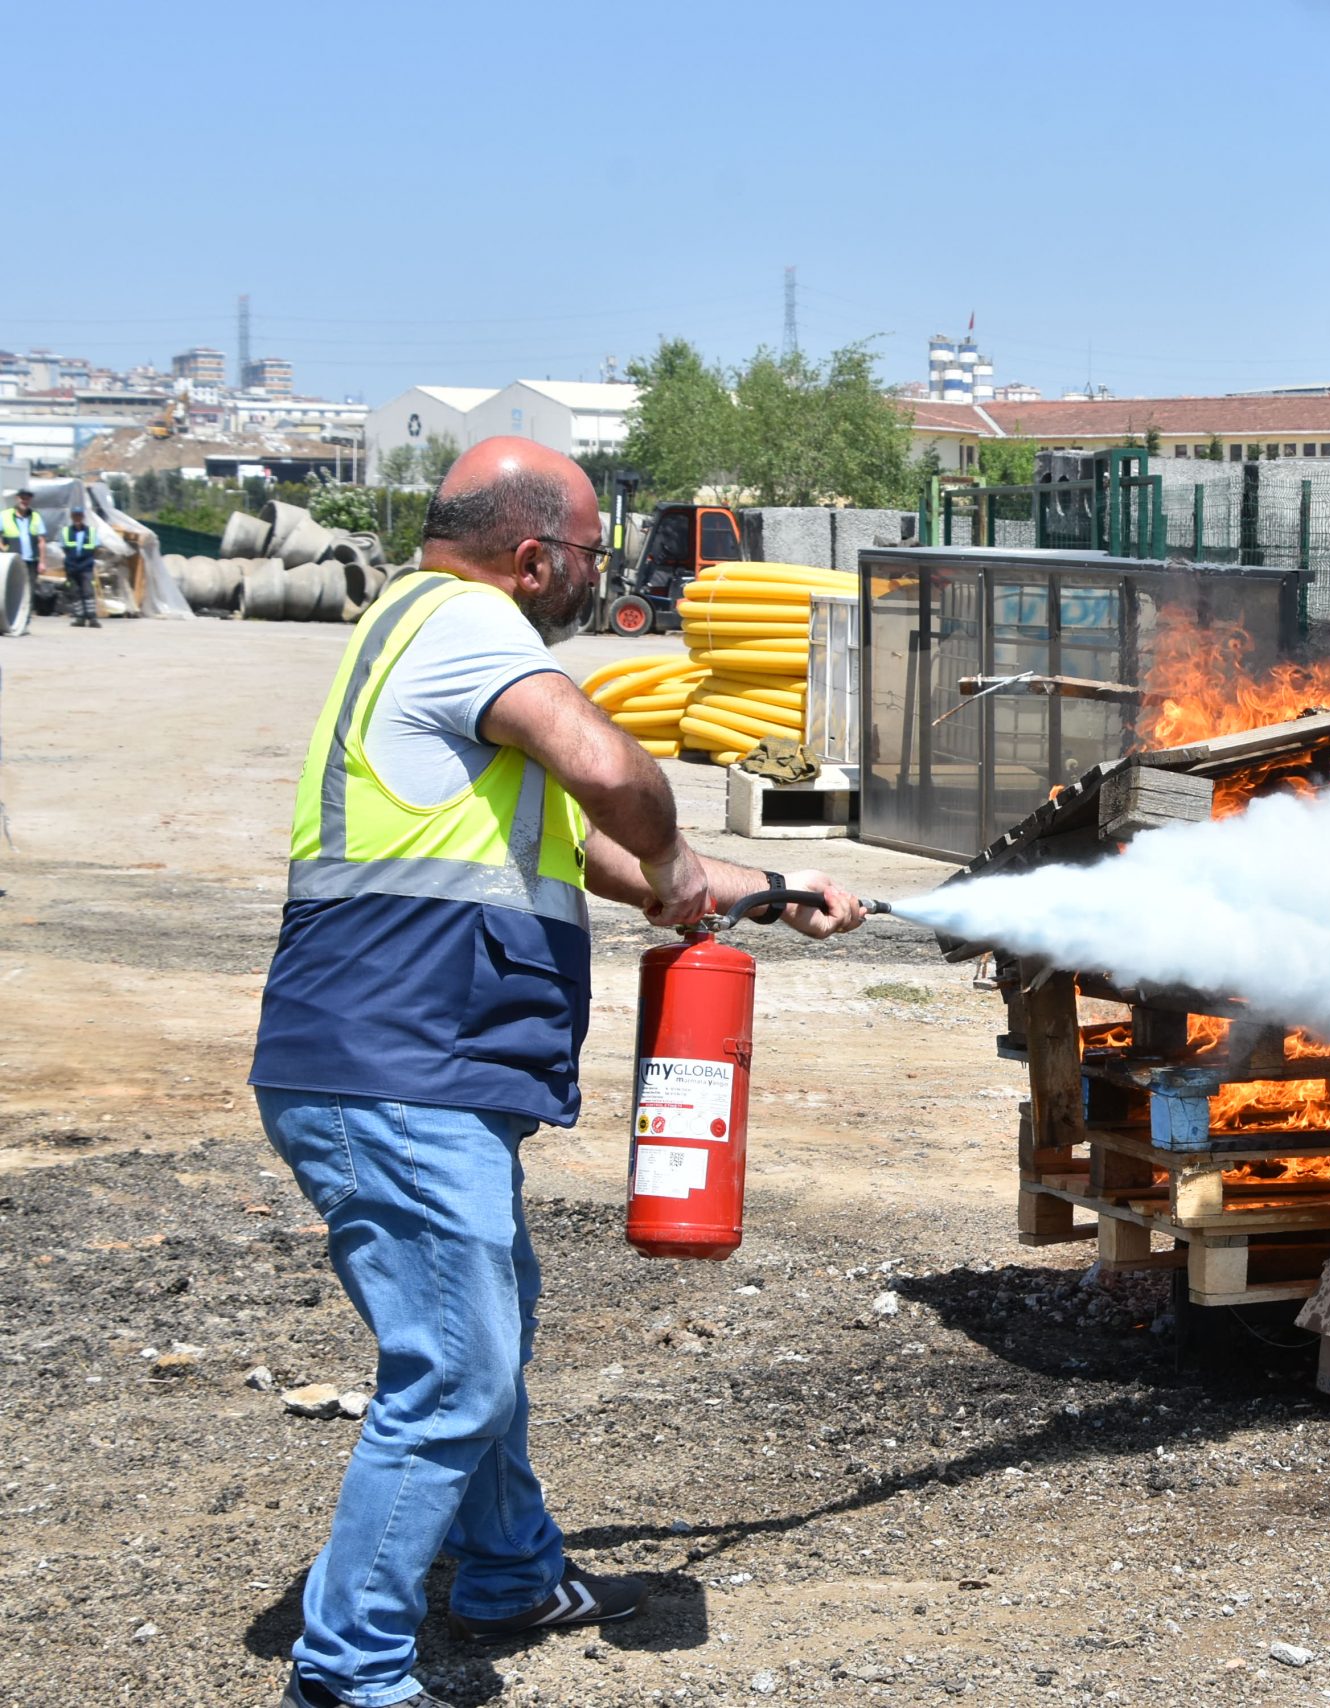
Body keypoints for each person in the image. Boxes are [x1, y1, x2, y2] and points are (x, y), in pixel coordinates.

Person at [248, 437, 866, 1708]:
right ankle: (348, 1668)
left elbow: (579, 853)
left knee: (486, 1335)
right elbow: (613, 772)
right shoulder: (467, 625)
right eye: (587, 555)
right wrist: (684, 845)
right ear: (534, 559)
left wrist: (764, 887)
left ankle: (508, 1575)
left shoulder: (421, 633)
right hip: (394, 1067)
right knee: (456, 1365)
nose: (595, 578)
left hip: (424, 1066)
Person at [1, 489, 42, 633]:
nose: (24, 501)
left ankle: (24, 623)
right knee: (8, 590)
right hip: (11, 561)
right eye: (22, 498)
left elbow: (41, 540)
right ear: (17, 499)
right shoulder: (5, 515)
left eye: (27, 499)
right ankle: (7, 618)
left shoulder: (35, 516)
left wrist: (42, 561)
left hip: (30, 560)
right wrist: (3, 548)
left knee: (28, 592)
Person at [60, 505, 100, 627]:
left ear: (83, 517)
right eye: (75, 515)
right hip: (71, 567)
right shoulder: (66, 531)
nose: (78, 518)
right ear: (72, 517)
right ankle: (79, 618)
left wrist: (88, 558)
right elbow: (64, 548)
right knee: (75, 592)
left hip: (86, 566)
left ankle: (92, 617)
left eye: (80, 515)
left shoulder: (91, 531)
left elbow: (96, 548)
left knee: (88, 591)